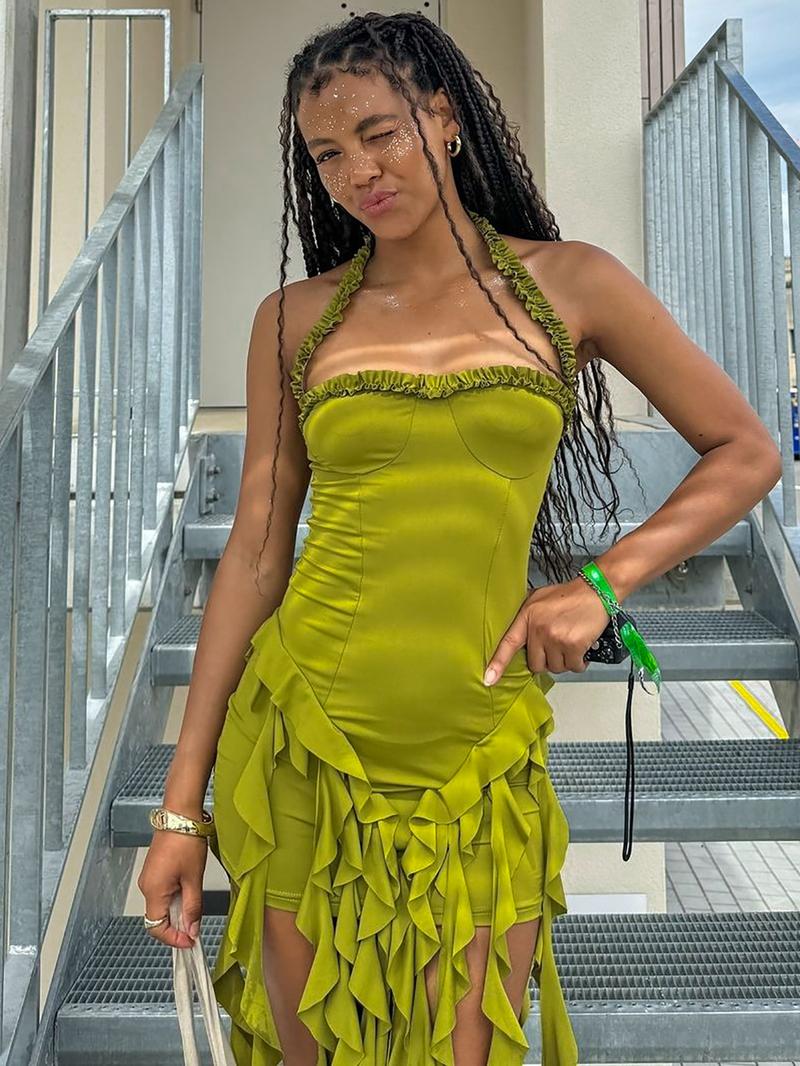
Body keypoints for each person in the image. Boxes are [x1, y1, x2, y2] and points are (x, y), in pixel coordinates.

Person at [136, 12, 782, 1066]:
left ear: (443, 118)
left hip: (476, 755)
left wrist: (602, 583)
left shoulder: (570, 284)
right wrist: (180, 811)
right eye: (326, 155)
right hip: (307, 740)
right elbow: (256, 552)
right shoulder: (295, 319)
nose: (357, 172)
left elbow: (744, 450)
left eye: (379, 133)